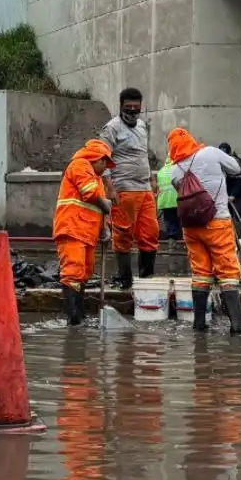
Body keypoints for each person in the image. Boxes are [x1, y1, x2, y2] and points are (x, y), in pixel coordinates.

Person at [167, 126, 241, 335]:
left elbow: (185, 194)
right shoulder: (211, 152)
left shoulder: (174, 171)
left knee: (201, 273)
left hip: (191, 229)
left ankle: (200, 324)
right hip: (217, 222)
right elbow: (236, 169)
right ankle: (237, 326)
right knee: (228, 273)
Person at [98, 88, 156, 290]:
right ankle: (125, 280)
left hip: (145, 189)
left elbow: (143, 154)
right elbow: (101, 159)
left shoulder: (141, 125)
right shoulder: (111, 128)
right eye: (128, 107)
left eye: (136, 108)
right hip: (123, 189)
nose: (132, 111)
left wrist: (152, 178)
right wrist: (110, 189)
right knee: (123, 236)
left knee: (150, 234)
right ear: (120, 106)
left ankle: (147, 281)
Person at [52, 138, 114, 326]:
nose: (105, 168)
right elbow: (90, 194)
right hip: (72, 229)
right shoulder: (79, 165)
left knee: (84, 273)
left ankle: (80, 317)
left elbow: (98, 209)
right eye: (104, 163)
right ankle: (74, 319)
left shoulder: (97, 179)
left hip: (87, 233)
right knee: (73, 272)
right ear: (97, 158)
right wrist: (107, 205)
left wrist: (105, 228)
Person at [217, 142, 241, 222]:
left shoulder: (235, 162)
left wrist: (233, 195)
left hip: (240, 192)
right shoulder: (223, 161)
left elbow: (240, 180)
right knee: (228, 216)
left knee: (240, 215)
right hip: (229, 191)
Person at [156, 154, 181, 246]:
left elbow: (158, 187)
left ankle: (171, 240)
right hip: (175, 199)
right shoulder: (176, 170)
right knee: (176, 219)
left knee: (168, 220)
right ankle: (175, 239)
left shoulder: (161, 171)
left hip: (164, 201)